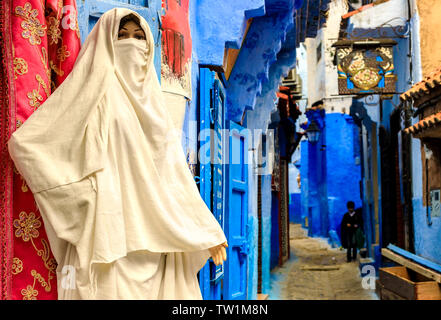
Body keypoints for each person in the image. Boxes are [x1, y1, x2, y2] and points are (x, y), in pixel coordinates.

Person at [7, 8, 228, 300]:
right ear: (105, 43)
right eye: (121, 36)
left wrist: (206, 230)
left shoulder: (154, 107)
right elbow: (27, 145)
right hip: (105, 246)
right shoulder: (89, 96)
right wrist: (80, 198)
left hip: (155, 252)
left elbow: (173, 176)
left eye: (139, 37)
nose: (131, 44)